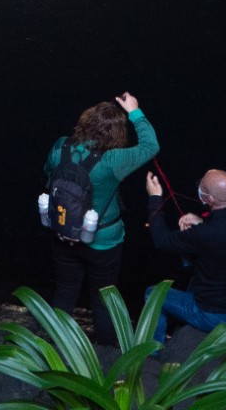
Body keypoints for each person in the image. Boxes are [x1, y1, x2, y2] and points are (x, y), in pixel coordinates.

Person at [41, 95, 160, 332]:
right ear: (117, 133)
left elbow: (48, 173)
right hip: (103, 241)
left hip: (63, 231)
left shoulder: (61, 146)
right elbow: (151, 146)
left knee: (65, 290)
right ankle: (106, 349)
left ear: (85, 121)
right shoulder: (113, 160)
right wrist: (134, 111)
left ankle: (52, 342)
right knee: (103, 299)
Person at [142, 169, 226, 347]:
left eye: (202, 187)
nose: (199, 187)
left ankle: (152, 352)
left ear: (210, 199)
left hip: (217, 317)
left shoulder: (204, 235)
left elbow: (161, 240)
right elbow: (225, 232)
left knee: (152, 294)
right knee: (194, 280)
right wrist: (202, 222)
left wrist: (155, 197)